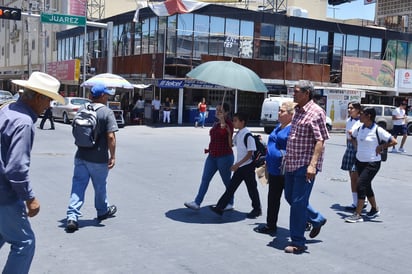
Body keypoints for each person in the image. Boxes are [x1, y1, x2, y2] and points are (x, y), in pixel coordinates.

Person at [0, 72, 64, 274]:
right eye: (49, 100)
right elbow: (16, 168)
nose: (49, 106)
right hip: (4, 195)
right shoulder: (24, 122)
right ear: (38, 97)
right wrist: (30, 198)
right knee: (24, 243)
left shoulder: (7, 109)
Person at [283, 80, 329, 254]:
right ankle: (316, 219)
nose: (293, 94)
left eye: (295, 92)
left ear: (306, 93)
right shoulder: (297, 111)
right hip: (292, 162)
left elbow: (320, 140)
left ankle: (298, 242)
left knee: (297, 202)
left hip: (305, 164)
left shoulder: (316, 112)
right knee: (289, 197)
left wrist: (312, 165)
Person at [66, 84, 119, 232]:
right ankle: (102, 211)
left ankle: (72, 216)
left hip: (81, 156)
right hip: (98, 159)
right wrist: (113, 156)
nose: (108, 97)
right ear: (102, 96)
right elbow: (111, 137)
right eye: (106, 95)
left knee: (78, 186)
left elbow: (75, 130)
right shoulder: (106, 112)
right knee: (100, 187)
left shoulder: (82, 109)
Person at [345, 106, 397, 223]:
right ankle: (374, 209)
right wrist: (356, 146)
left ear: (369, 116)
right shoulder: (360, 128)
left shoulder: (377, 130)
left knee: (360, 185)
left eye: (362, 114)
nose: (360, 115)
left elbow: (393, 141)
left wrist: (381, 146)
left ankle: (358, 214)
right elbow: (351, 136)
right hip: (360, 162)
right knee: (366, 186)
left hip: (372, 162)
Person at [209, 112, 262, 218]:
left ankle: (257, 209)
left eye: (235, 120)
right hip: (240, 166)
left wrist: (237, 164)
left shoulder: (248, 135)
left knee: (251, 188)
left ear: (242, 122)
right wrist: (229, 133)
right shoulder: (238, 134)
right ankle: (220, 207)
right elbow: (231, 145)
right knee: (231, 188)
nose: (233, 122)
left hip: (247, 166)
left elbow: (250, 154)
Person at [184, 103, 234, 210]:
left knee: (227, 181)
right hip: (212, 155)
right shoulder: (215, 123)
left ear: (226, 113)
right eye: (216, 110)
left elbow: (224, 133)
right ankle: (197, 202)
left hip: (224, 157)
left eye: (220, 110)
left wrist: (222, 121)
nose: (217, 112)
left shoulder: (229, 124)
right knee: (205, 179)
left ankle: (230, 202)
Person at [254, 101, 294, 235]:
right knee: (273, 198)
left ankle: (307, 219)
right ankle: (271, 225)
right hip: (274, 169)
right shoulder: (279, 126)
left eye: (282, 111)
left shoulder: (293, 128)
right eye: (279, 110)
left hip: (286, 170)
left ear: (291, 114)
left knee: (293, 198)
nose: (278, 113)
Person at [340, 101, 362, 211]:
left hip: (358, 149)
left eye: (352, 108)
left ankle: (362, 200)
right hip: (350, 148)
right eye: (348, 108)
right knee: (352, 177)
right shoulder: (349, 121)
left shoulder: (362, 122)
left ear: (358, 110)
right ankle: (355, 201)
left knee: (356, 177)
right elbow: (347, 137)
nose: (349, 110)